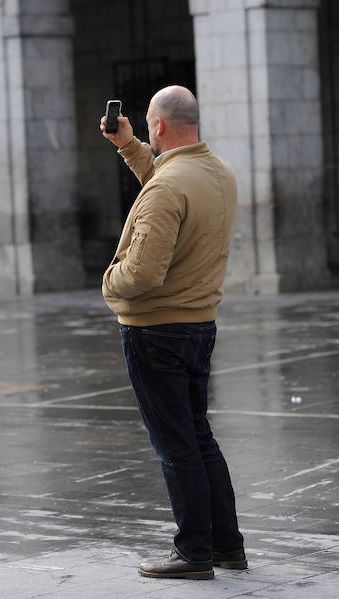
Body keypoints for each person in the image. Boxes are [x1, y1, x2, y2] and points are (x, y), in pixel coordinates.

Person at [100, 86, 245, 580]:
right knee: (198, 437)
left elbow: (141, 274)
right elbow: (165, 183)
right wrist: (128, 145)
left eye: (147, 125)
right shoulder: (217, 173)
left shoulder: (167, 186)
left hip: (155, 332)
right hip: (199, 326)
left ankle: (193, 552)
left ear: (159, 125)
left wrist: (108, 282)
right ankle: (227, 546)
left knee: (176, 445)